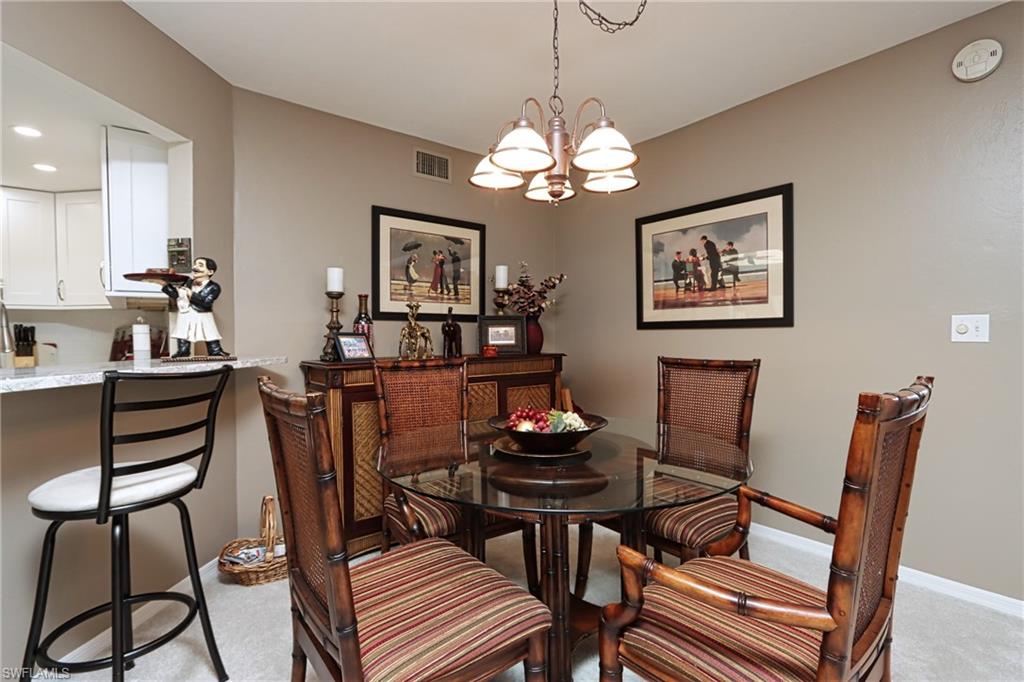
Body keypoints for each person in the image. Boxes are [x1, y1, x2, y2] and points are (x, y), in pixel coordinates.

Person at [161, 256, 230, 358]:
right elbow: (176, 295)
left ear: (210, 272)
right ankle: (183, 350)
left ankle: (215, 350)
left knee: (210, 331)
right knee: (183, 331)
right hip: (186, 311)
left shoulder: (214, 287)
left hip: (203, 313)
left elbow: (206, 302)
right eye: (195, 264)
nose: (195, 267)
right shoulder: (187, 282)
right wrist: (164, 284)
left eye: (200, 265)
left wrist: (191, 294)